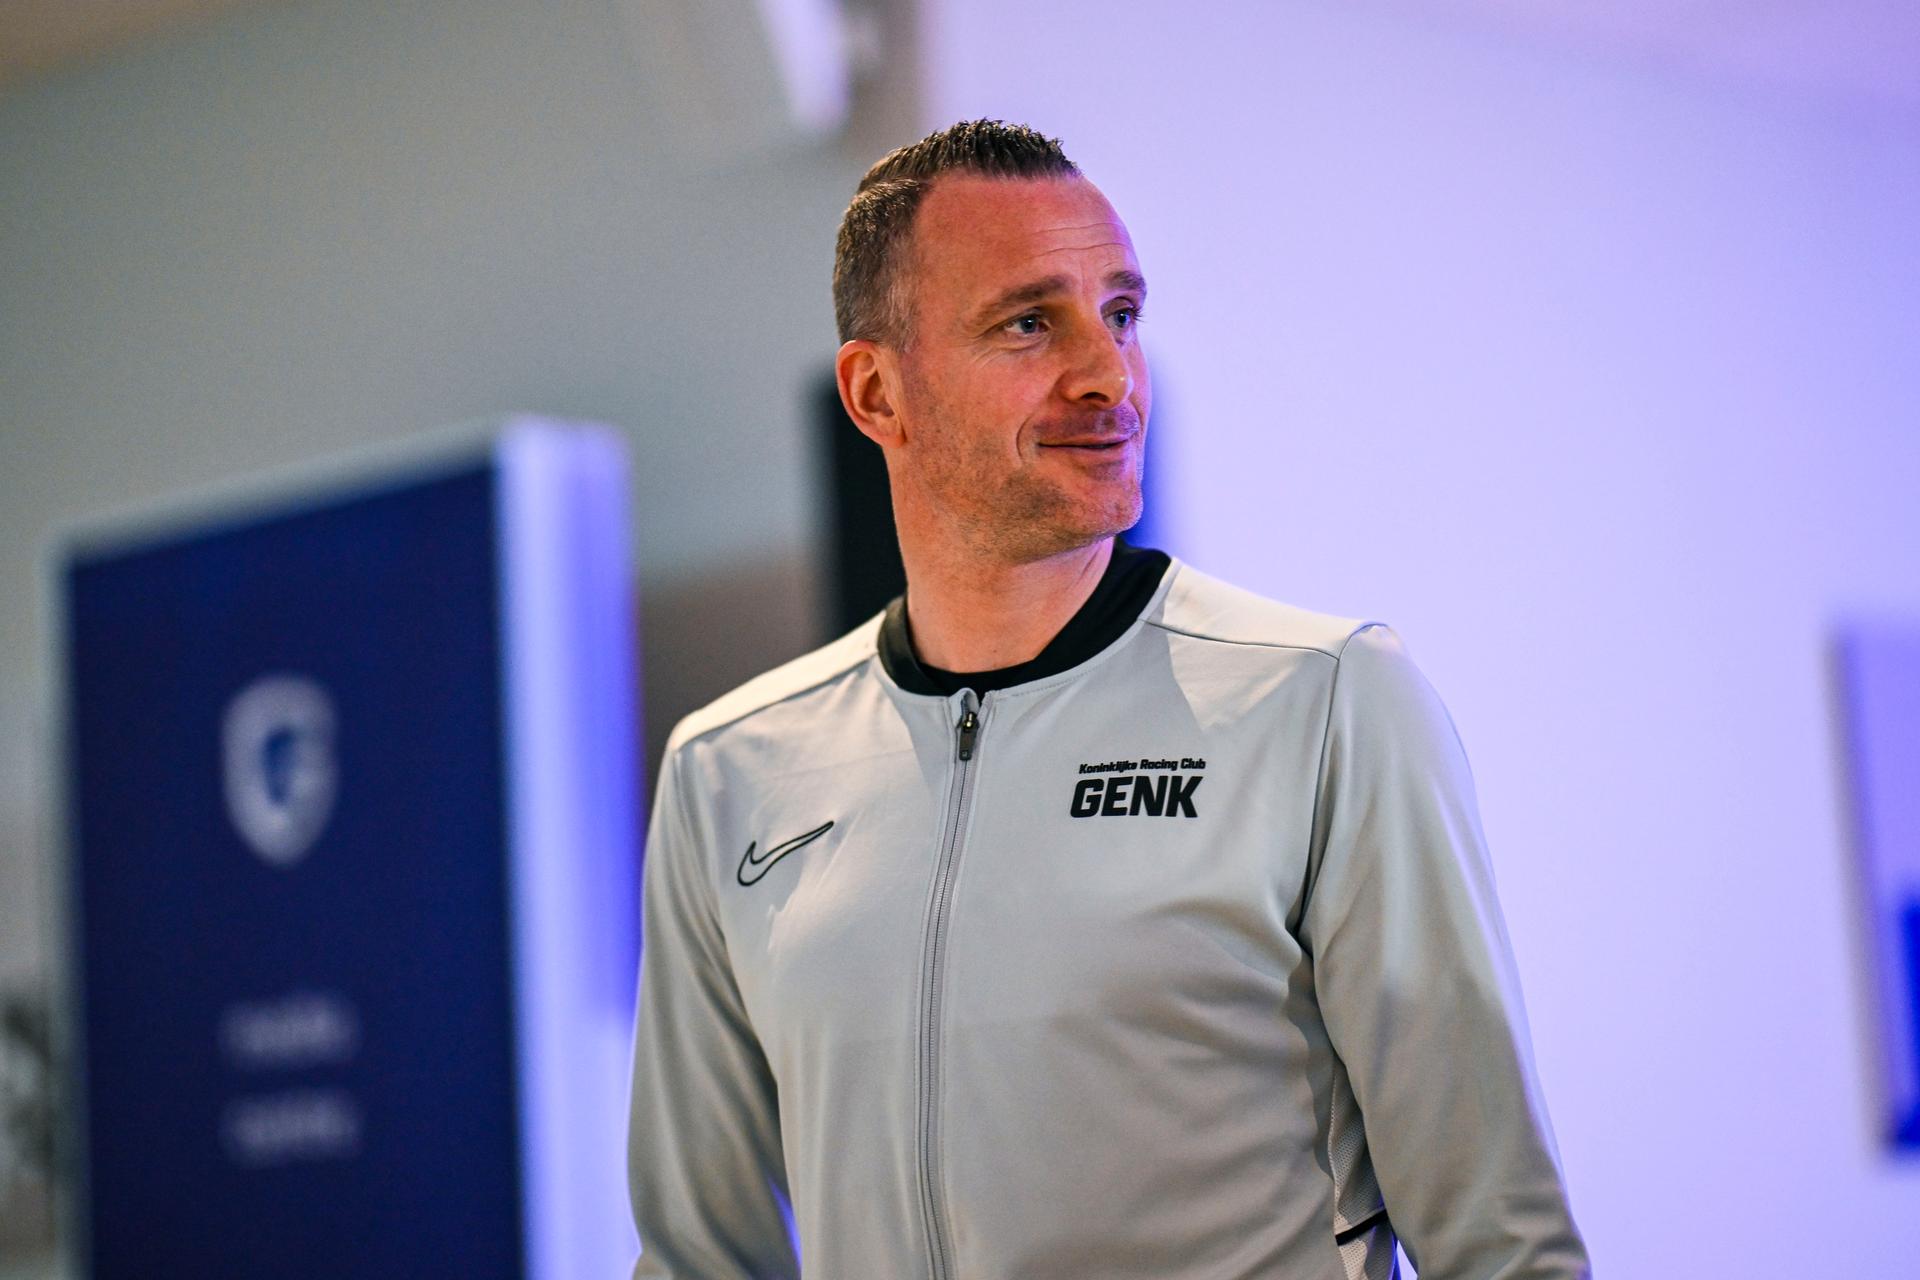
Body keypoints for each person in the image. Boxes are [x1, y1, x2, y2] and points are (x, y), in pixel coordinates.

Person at [627, 120, 1591, 1279]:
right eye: (1030, 322)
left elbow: (1502, 1242)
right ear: (878, 392)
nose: (1110, 373)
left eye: (1121, 313)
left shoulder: (1327, 700)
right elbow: (699, 1261)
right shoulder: (729, 769)